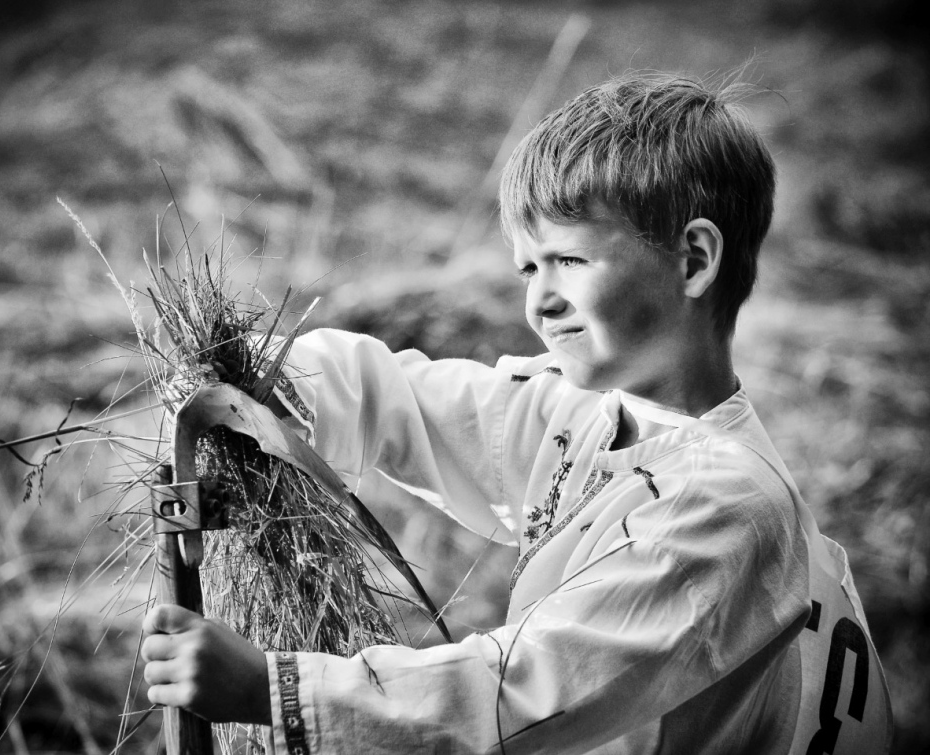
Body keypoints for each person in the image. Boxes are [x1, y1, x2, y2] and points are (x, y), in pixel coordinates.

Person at [140, 72, 891, 754]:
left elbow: (526, 690)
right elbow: (414, 403)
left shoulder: (726, 507)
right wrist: (262, 383)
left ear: (692, 260)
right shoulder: (599, 418)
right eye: (528, 267)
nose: (540, 298)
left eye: (569, 259)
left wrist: (273, 689)